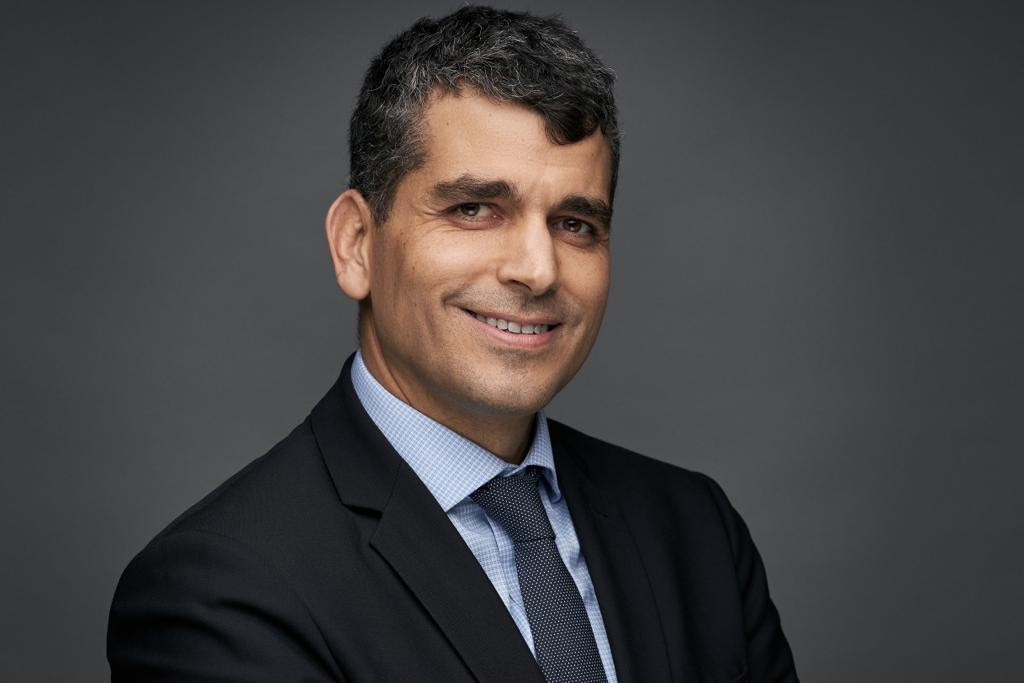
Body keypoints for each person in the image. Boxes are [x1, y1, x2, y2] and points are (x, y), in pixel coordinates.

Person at [107, 6, 798, 682]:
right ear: (356, 244)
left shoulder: (695, 530)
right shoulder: (223, 589)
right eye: (474, 209)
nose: (538, 270)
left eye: (575, 223)